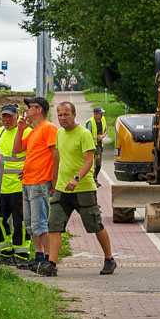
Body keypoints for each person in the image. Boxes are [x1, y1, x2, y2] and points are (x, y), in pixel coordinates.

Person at [52, 101, 117, 275]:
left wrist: (76, 178)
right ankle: (51, 264)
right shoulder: (59, 133)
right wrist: (54, 181)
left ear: (74, 115)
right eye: (60, 115)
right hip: (62, 188)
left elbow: (90, 160)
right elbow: (57, 158)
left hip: (83, 188)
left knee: (95, 224)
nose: (63, 118)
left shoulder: (84, 134)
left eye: (66, 114)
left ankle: (109, 259)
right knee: (54, 225)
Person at [13, 96, 60, 276]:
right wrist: (20, 130)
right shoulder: (33, 131)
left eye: (30, 107)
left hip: (40, 181)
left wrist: (54, 178)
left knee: (40, 222)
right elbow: (17, 150)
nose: (27, 111)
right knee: (31, 223)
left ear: (39, 109)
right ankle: (39, 255)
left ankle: (49, 259)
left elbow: (55, 154)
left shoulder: (48, 128)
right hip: (28, 181)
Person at [0, 103, 33, 268]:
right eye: (4, 116)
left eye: (10, 116)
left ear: (17, 116)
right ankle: (6, 252)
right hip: (2, 187)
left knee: (20, 222)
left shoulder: (27, 132)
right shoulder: (0, 132)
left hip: (19, 187)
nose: (7, 119)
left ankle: (22, 254)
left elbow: (34, 155)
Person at [88, 104, 108, 183]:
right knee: (91, 164)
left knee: (98, 164)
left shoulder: (103, 120)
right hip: (91, 146)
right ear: (95, 114)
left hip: (99, 146)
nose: (102, 115)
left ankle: (95, 177)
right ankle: (93, 180)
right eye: (100, 113)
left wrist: (102, 136)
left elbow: (106, 130)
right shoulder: (90, 122)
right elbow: (87, 134)